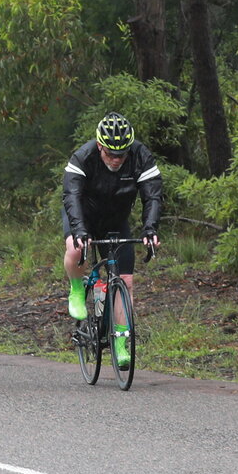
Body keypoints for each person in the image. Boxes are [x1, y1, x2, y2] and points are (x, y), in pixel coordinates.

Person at [62, 113, 163, 368]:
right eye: (111, 154)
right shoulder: (83, 157)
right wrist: (79, 230)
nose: (117, 160)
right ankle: (76, 289)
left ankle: (120, 343)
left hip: (116, 220)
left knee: (125, 281)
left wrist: (150, 229)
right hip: (83, 216)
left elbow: (152, 196)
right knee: (75, 249)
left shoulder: (141, 156)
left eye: (122, 154)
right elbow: (71, 195)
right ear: (99, 146)